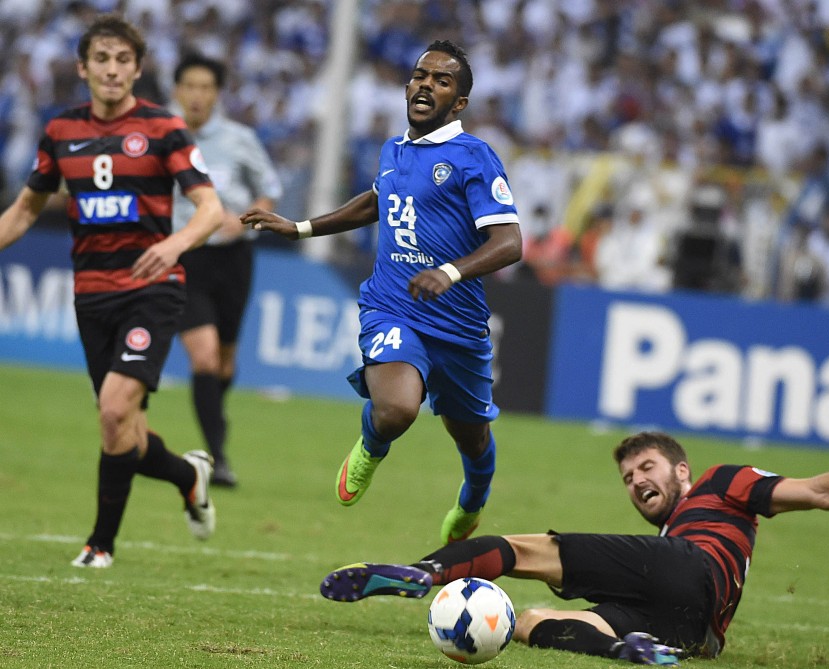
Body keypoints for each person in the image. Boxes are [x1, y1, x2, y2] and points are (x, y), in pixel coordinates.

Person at [318, 431, 829, 667]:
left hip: (688, 573)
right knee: (526, 623)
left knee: (526, 548)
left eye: (647, 468)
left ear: (680, 471)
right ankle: (626, 651)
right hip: (690, 632)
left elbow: (821, 492)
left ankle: (422, 570)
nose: (637, 480)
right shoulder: (668, 535)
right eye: (628, 477)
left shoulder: (723, 486)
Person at [240, 40, 522, 544]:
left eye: (441, 81)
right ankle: (371, 445)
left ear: (458, 103)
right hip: (393, 306)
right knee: (396, 409)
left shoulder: (475, 158)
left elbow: (509, 242)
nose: (425, 85)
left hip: (458, 324)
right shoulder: (395, 151)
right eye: (420, 75)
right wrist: (300, 227)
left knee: (473, 438)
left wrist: (451, 273)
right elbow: (375, 202)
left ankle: (473, 499)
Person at [0, 14, 224, 568]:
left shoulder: (164, 127)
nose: (112, 70)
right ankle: (188, 474)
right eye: (101, 59)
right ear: (82, 68)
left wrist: (175, 246)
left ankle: (100, 544)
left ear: (138, 69)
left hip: (152, 287)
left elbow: (211, 209)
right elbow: (25, 210)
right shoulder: (60, 132)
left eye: (123, 60)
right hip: (90, 293)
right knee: (122, 426)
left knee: (112, 407)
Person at [171, 53, 283, 487]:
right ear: (177, 91)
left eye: (206, 87)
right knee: (204, 354)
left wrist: (247, 218)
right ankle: (217, 456)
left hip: (234, 259)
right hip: (186, 256)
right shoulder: (163, 136)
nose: (197, 95)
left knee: (225, 361)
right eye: (190, 86)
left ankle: (215, 425)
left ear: (216, 94)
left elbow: (269, 191)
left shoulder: (239, 139)